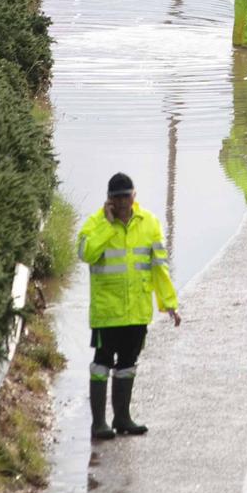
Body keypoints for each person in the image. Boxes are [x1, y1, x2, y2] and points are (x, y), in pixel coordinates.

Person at [79, 172, 180, 441]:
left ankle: (122, 418)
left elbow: (159, 267)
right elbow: (86, 253)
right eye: (117, 198)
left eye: (127, 196)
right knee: (101, 364)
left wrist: (169, 303)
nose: (123, 202)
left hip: (136, 313)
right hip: (106, 314)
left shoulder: (150, 223)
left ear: (134, 196)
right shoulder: (95, 224)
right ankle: (99, 423)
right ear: (109, 200)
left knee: (127, 364)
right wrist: (108, 226)